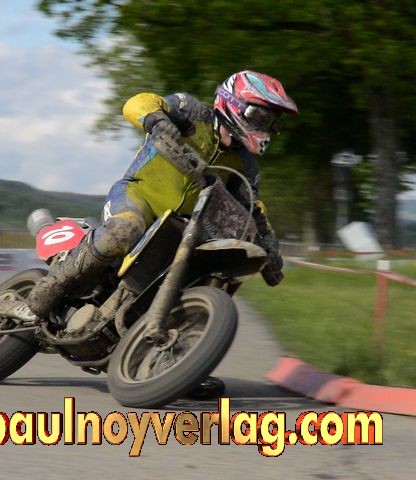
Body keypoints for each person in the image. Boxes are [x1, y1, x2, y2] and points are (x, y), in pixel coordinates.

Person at [24, 71, 297, 395]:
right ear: (234, 103)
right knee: (125, 229)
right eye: (260, 116)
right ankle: (50, 289)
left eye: (271, 122)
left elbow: (254, 207)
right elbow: (139, 102)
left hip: (183, 225)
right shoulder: (189, 111)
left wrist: (270, 248)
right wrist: (155, 119)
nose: (265, 127)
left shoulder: (245, 165)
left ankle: (183, 360)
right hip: (138, 196)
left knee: (218, 270)